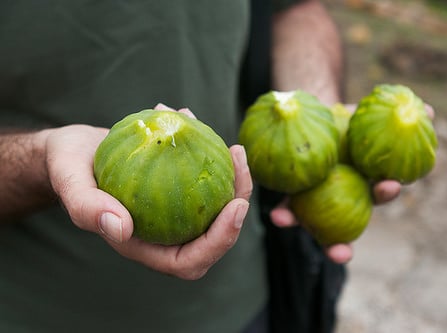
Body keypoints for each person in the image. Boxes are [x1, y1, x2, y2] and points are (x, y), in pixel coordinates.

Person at [0, 1, 401, 332]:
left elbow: (295, 11)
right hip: (41, 313)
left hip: (241, 302)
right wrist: (41, 157)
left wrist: (315, 125)